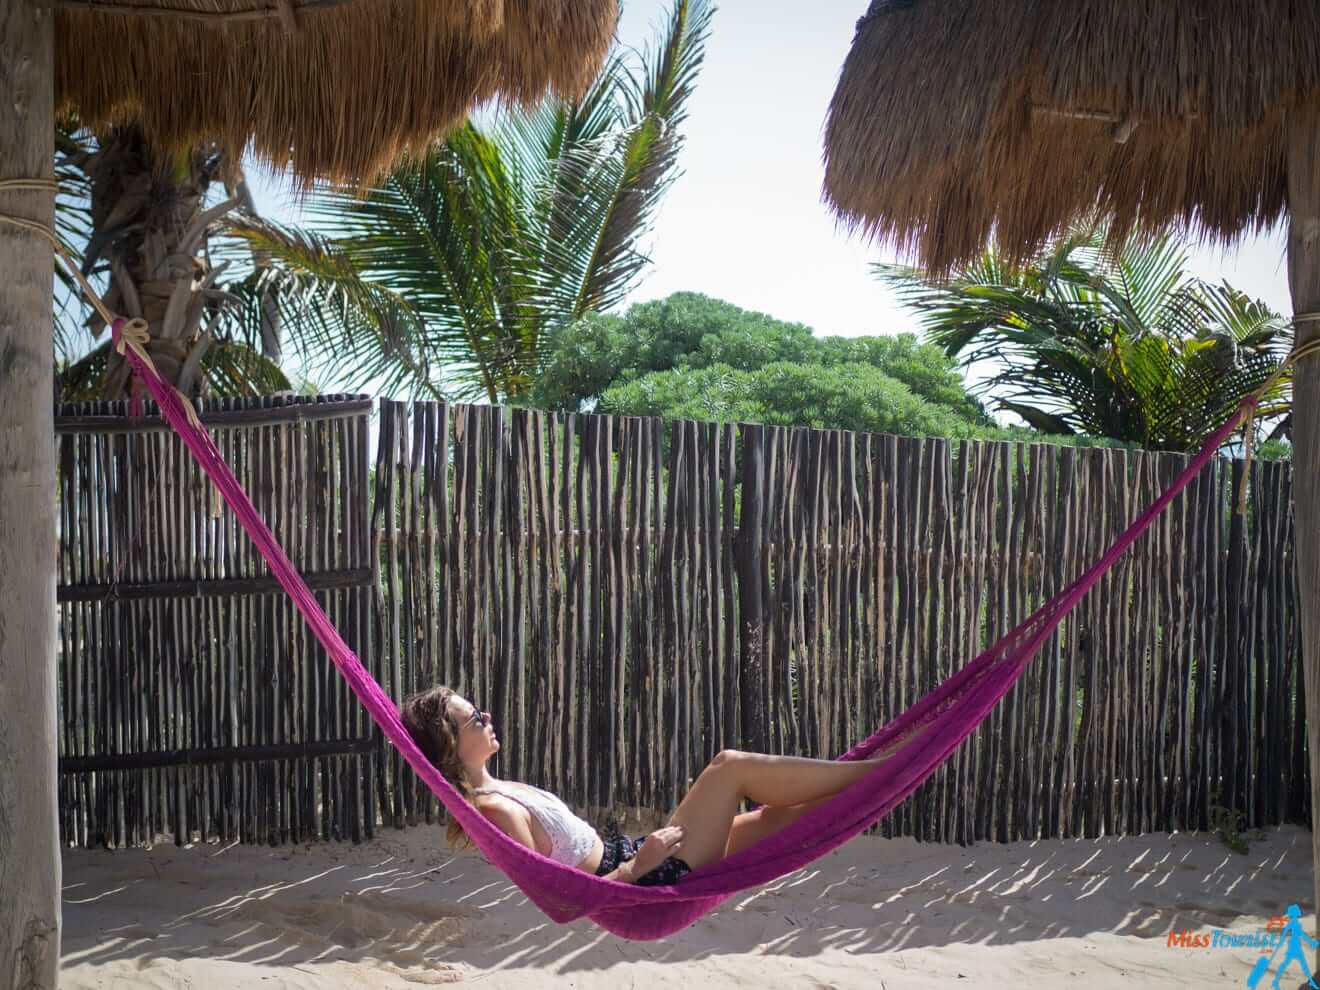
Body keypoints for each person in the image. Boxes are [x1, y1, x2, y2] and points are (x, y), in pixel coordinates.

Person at [399, 685, 928, 886]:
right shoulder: (495, 813)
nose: (487, 718)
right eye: (475, 719)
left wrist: (640, 852)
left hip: (641, 854)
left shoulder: (499, 788)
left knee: (781, 820)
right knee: (729, 767)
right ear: (449, 746)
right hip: (646, 875)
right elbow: (565, 900)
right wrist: (641, 864)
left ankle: (876, 777)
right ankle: (879, 769)